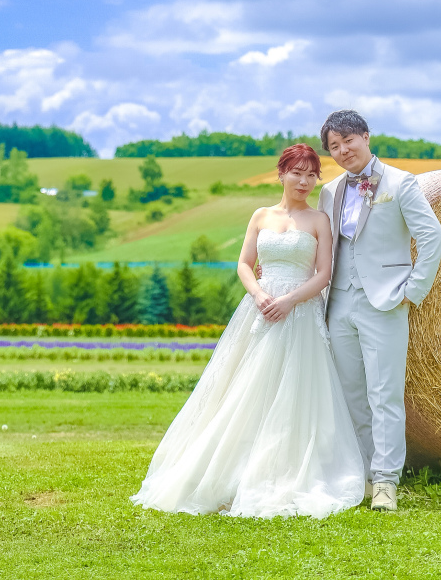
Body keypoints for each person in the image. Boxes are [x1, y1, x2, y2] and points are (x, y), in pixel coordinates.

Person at [131, 143, 365, 519]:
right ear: (282, 172)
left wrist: (289, 300)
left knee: (294, 393)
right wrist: (259, 295)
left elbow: (324, 274)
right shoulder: (261, 216)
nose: (304, 181)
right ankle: (233, 470)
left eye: (311, 174)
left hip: (300, 312)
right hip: (260, 310)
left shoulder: (319, 220)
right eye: (297, 172)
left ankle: (284, 470)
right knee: (245, 389)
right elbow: (244, 263)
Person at [318, 110, 441, 513]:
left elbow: (432, 236)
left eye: (347, 142)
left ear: (366, 137)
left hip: (386, 302)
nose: (342, 151)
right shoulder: (330, 190)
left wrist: (414, 289)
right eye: (334, 147)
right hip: (338, 303)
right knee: (352, 394)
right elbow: (322, 244)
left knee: (384, 394)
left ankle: (388, 482)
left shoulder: (401, 182)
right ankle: (365, 476)